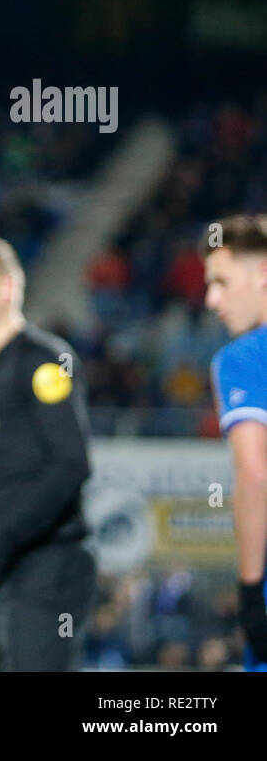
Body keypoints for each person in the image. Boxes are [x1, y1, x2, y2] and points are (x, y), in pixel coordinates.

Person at [0, 233, 93, 670]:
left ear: (6, 287)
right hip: (2, 569)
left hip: (45, 568)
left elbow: (71, 465)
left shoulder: (43, 362)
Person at [203, 214, 267, 670]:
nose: (211, 300)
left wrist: (249, 591)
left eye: (222, 282)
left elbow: (254, 473)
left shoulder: (244, 357)